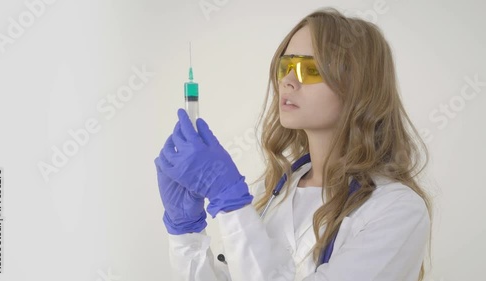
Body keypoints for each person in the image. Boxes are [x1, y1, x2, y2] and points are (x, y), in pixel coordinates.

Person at [154, 7, 432, 281]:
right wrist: (186, 232)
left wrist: (231, 204)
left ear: (359, 85)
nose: (287, 81)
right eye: (286, 66)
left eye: (309, 69)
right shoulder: (273, 192)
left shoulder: (397, 209)